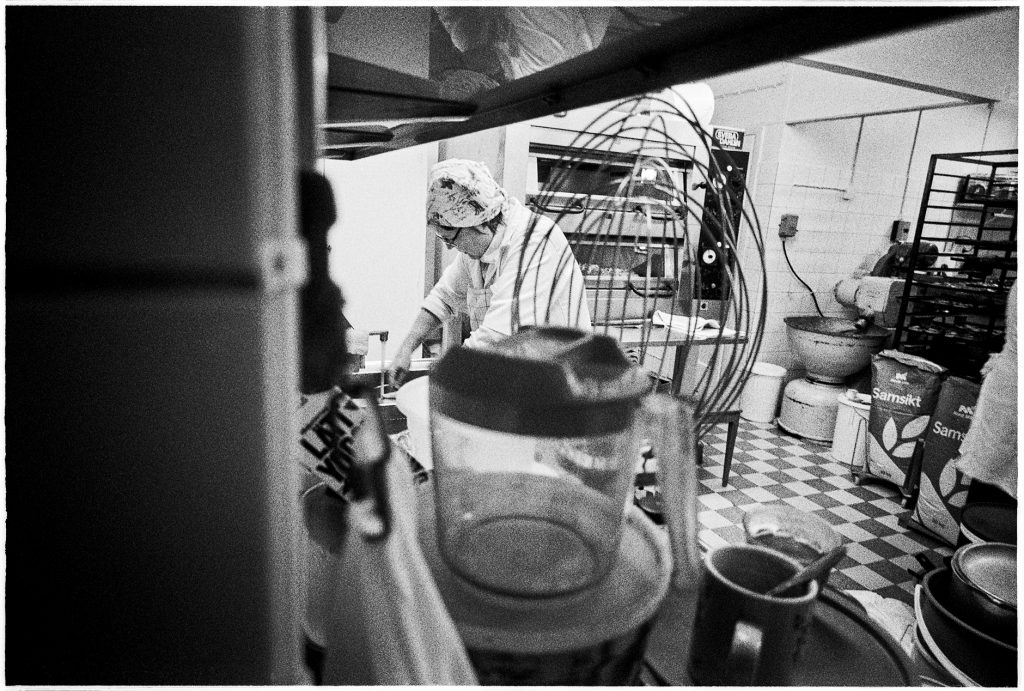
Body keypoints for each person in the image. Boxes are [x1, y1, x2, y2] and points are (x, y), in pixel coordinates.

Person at [387, 159, 591, 386]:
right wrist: (407, 348)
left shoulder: (535, 241)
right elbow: (444, 298)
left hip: (564, 386)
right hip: (521, 383)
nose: (448, 246)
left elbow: (500, 335)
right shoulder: (476, 253)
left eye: (450, 237)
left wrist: (443, 379)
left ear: (479, 222)